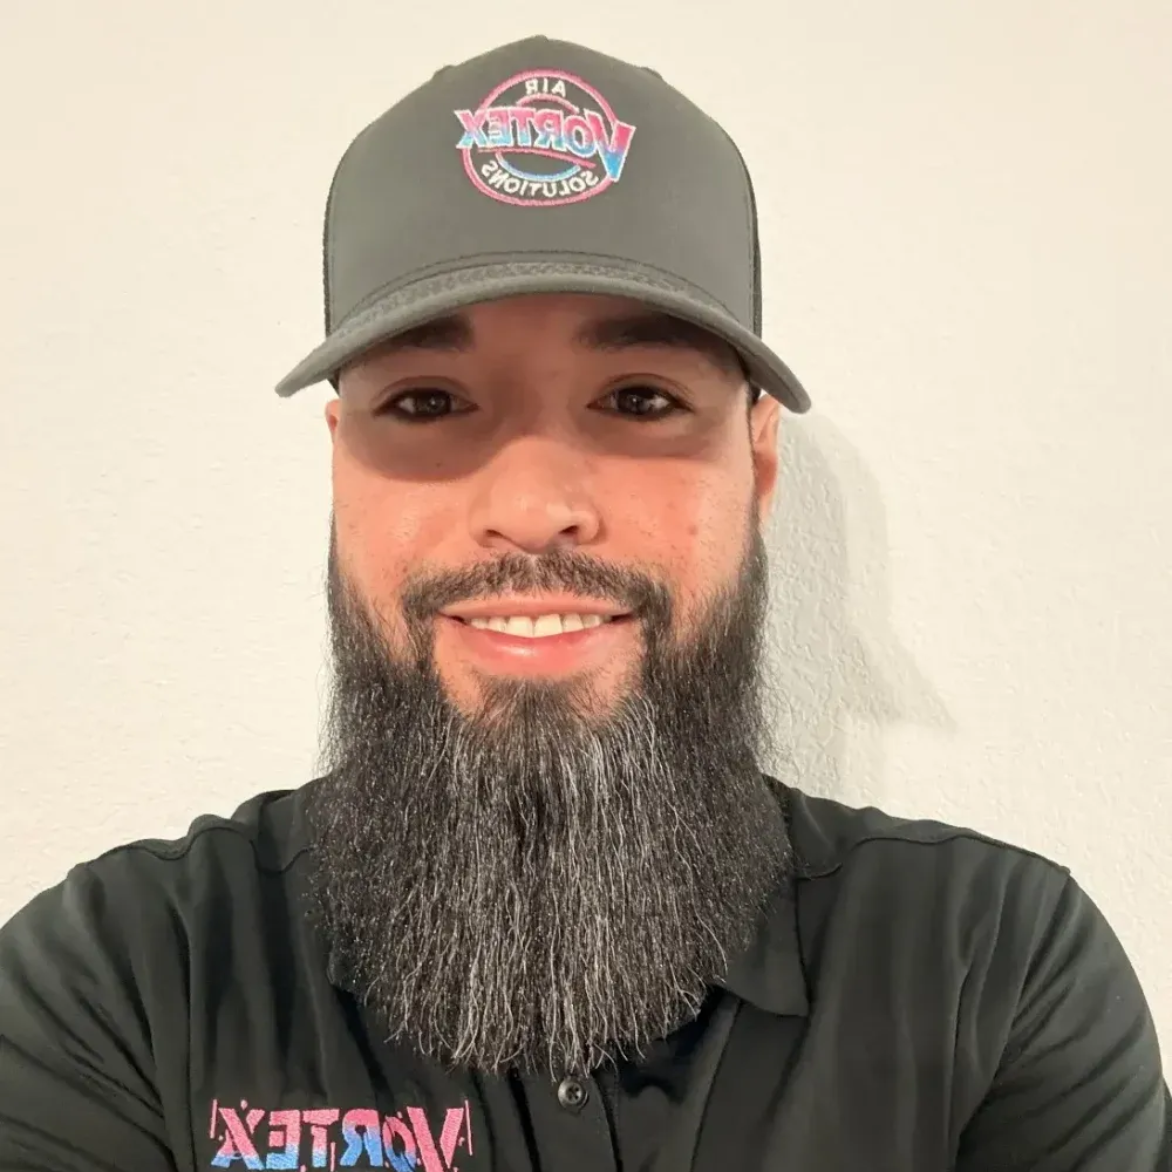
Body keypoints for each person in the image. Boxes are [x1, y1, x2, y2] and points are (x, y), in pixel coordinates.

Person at [0, 34, 1167, 1172]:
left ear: (758, 464)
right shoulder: (126, 980)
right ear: (338, 461)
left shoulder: (992, 968)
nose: (532, 504)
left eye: (640, 396)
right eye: (423, 401)